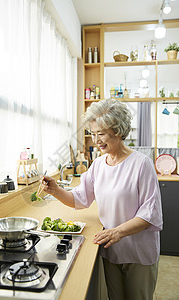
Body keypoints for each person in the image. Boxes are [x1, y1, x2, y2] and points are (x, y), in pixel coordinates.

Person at [42, 99, 163, 300]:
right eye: (92, 133)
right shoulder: (98, 165)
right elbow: (79, 198)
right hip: (111, 249)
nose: (96, 140)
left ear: (118, 130)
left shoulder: (142, 164)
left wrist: (118, 231)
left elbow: (150, 214)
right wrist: (55, 190)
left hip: (138, 252)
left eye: (101, 134)